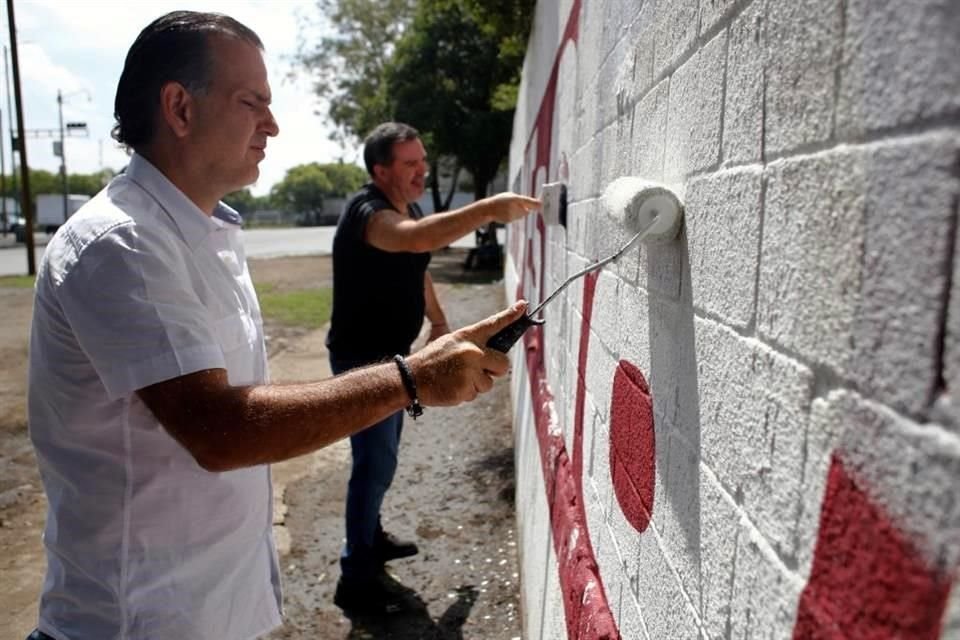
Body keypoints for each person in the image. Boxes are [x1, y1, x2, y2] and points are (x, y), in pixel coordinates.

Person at [25, 12, 529, 640]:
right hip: (138, 622)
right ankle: (360, 567)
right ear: (180, 108)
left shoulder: (204, 232)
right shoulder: (123, 243)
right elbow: (222, 431)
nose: (273, 124)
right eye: (251, 102)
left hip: (206, 610)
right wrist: (411, 379)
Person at [325, 122, 540, 613]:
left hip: (394, 358)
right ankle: (356, 576)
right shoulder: (368, 213)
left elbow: (418, 266)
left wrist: (439, 322)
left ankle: (369, 539)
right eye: (410, 164)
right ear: (380, 170)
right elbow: (414, 240)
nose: (422, 171)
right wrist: (488, 209)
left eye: (423, 161)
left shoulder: (409, 206)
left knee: (381, 460)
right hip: (362, 361)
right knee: (374, 463)